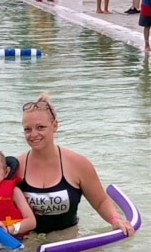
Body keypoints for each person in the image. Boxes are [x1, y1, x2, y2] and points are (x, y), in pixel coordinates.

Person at [17, 94, 135, 236]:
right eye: (27, 129)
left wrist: (115, 220)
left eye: (40, 127)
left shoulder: (78, 164)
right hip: (28, 240)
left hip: (67, 237)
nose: (33, 134)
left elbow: (101, 201)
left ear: (55, 126)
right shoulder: (16, 167)